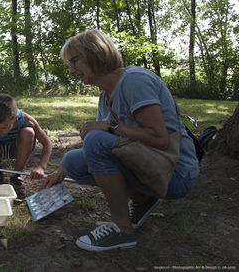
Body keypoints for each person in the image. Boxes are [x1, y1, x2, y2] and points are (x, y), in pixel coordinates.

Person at [44, 30, 199, 252]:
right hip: (149, 165)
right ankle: (143, 198)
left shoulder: (134, 80)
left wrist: (109, 126)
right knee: (72, 162)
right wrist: (61, 172)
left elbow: (159, 138)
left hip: (175, 173)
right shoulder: (104, 95)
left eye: (73, 61)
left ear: (94, 53)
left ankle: (122, 229)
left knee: (96, 139)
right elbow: (106, 148)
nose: (71, 70)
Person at [0, 94, 53, 195]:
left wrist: (41, 167)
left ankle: (17, 175)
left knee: (28, 132)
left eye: (4, 127)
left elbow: (47, 143)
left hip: (18, 148)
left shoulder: (26, 120)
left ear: (15, 118)